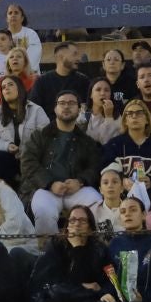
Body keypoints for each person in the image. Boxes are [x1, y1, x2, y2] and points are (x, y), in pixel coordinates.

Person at [18, 91, 103, 235]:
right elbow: (28, 163)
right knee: (44, 211)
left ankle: (91, 248)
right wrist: (50, 183)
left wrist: (80, 181)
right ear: (55, 108)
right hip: (44, 188)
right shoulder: (40, 135)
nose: (66, 107)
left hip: (76, 189)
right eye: (62, 103)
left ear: (79, 109)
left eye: (71, 103)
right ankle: (48, 252)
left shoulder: (86, 141)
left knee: (97, 204)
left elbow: (94, 167)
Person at [31, 207, 115, 302]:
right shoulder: (55, 246)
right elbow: (53, 285)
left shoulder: (99, 249)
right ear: (67, 225)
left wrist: (103, 292)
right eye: (72, 220)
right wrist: (88, 288)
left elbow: (111, 280)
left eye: (82, 221)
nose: (76, 224)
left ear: (90, 228)